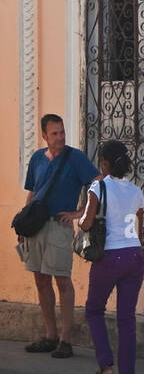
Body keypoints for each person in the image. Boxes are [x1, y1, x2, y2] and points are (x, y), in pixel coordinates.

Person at [19, 114, 98, 359]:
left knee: (62, 281)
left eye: (62, 132)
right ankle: (50, 336)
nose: (60, 137)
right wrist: (24, 224)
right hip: (36, 226)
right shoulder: (36, 159)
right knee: (41, 280)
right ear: (44, 136)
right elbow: (32, 192)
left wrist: (79, 212)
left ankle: (66, 340)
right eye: (54, 133)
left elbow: (97, 184)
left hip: (59, 227)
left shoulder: (75, 158)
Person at [77, 140, 144, 374]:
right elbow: (139, 229)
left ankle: (106, 365)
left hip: (109, 257)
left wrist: (82, 216)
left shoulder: (99, 186)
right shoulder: (136, 192)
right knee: (127, 318)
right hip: (134, 257)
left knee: (94, 310)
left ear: (104, 163)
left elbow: (85, 223)